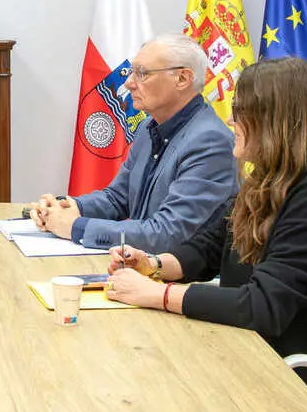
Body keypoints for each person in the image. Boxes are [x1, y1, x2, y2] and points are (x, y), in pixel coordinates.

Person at [105, 57, 307, 384]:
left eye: (240, 110)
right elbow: (209, 248)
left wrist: (157, 295)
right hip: (258, 356)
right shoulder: (271, 180)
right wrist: (153, 265)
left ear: (273, 121)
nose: (229, 119)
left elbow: (262, 306)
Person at [30, 33, 237, 252]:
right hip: (139, 267)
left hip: (178, 277)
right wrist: (66, 207)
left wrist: (75, 226)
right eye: (132, 72)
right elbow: (118, 198)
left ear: (183, 79)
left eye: (142, 74)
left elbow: (167, 233)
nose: (129, 83)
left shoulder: (210, 141)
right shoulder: (148, 127)